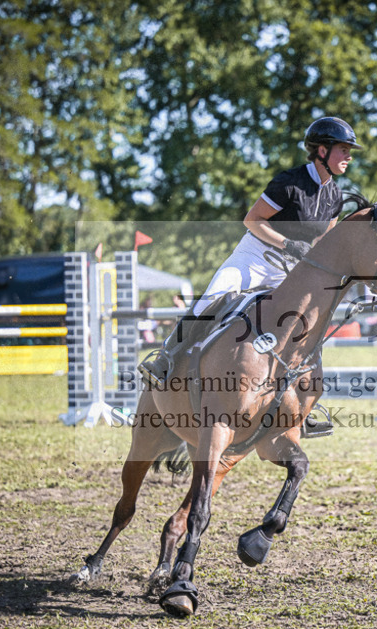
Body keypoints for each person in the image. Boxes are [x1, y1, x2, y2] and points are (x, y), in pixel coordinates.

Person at [139, 116, 362, 437]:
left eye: (349, 151)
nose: (348, 157)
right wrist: (287, 243)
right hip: (254, 259)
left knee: (303, 322)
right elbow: (253, 219)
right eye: (343, 150)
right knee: (210, 299)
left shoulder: (334, 196)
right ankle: (165, 360)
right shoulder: (289, 183)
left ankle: (305, 400)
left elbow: (323, 241)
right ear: (322, 151)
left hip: (287, 271)